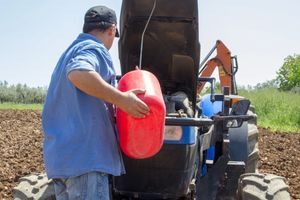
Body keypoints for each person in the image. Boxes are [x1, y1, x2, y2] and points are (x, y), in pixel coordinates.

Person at [42, 5, 149, 200]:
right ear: (112, 30)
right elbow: (79, 73)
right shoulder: (94, 48)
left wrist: (119, 93)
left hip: (61, 161)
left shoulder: (68, 53)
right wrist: (122, 99)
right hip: (86, 160)